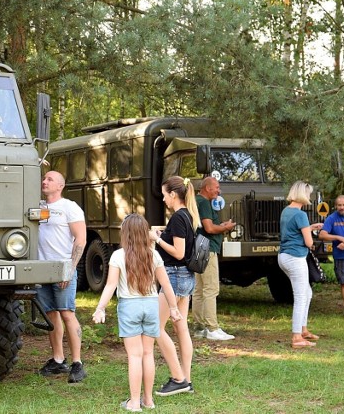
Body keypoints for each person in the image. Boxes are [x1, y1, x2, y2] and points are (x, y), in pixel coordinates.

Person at [92, 214, 182, 412]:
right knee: (148, 353)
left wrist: (100, 309)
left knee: (135, 355)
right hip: (151, 305)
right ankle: (148, 400)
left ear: (125, 233)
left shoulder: (118, 256)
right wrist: (174, 308)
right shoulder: (154, 255)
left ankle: (134, 402)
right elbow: (166, 284)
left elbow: (110, 285)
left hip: (129, 307)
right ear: (144, 233)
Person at [149, 176, 199, 395]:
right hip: (186, 277)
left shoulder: (178, 217)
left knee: (155, 327)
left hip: (175, 276)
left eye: (164, 194)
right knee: (181, 328)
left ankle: (178, 378)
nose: (163, 199)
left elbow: (178, 253)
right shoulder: (187, 215)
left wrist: (157, 239)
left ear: (173, 194)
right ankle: (186, 379)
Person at [36, 170, 88, 383]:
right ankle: (58, 359)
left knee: (67, 313)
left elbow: (81, 239)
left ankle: (77, 364)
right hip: (41, 269)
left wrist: (70, 268)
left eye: (50, 179)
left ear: (60, 186)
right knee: (51, 315)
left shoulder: (69, 207)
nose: (44, 181)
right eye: (44, 178)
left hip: (62, 268)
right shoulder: (37, 207)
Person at [277, 181, 324, 349]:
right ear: (303, 195)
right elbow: (309, 241)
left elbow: (293, 230)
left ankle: (303, 329)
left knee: (307, 292)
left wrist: (309, 227)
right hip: (295, 258)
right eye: (309, 193)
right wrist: (310, 232)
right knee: (300, 296)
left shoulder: (286, 211)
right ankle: (297, 337)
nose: (310, 197)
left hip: (283, 256)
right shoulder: (301, 215)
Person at [192, 177, 237, 340]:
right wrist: (225, 227)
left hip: (197, 247)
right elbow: (209, 228)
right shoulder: (203, 202)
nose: (219, 191)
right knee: (211, 289)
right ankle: (212, 328)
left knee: (198, 289)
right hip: (208, 248)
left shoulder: (195, 200)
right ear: (207, 188)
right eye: (216, 187)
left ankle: (199, 328)